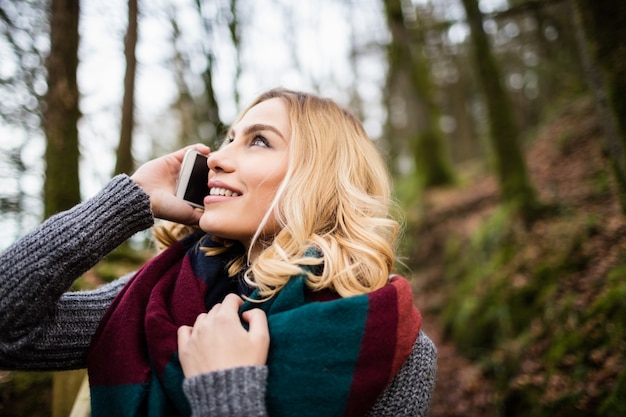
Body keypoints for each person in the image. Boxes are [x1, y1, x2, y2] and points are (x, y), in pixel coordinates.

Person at [0, 88, 436, 417]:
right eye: (228, 138)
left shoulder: (394, 341)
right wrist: (127, 201)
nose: (217, 158)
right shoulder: (161, 292)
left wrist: (225, 390)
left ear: (320, 178)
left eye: (259, 141)